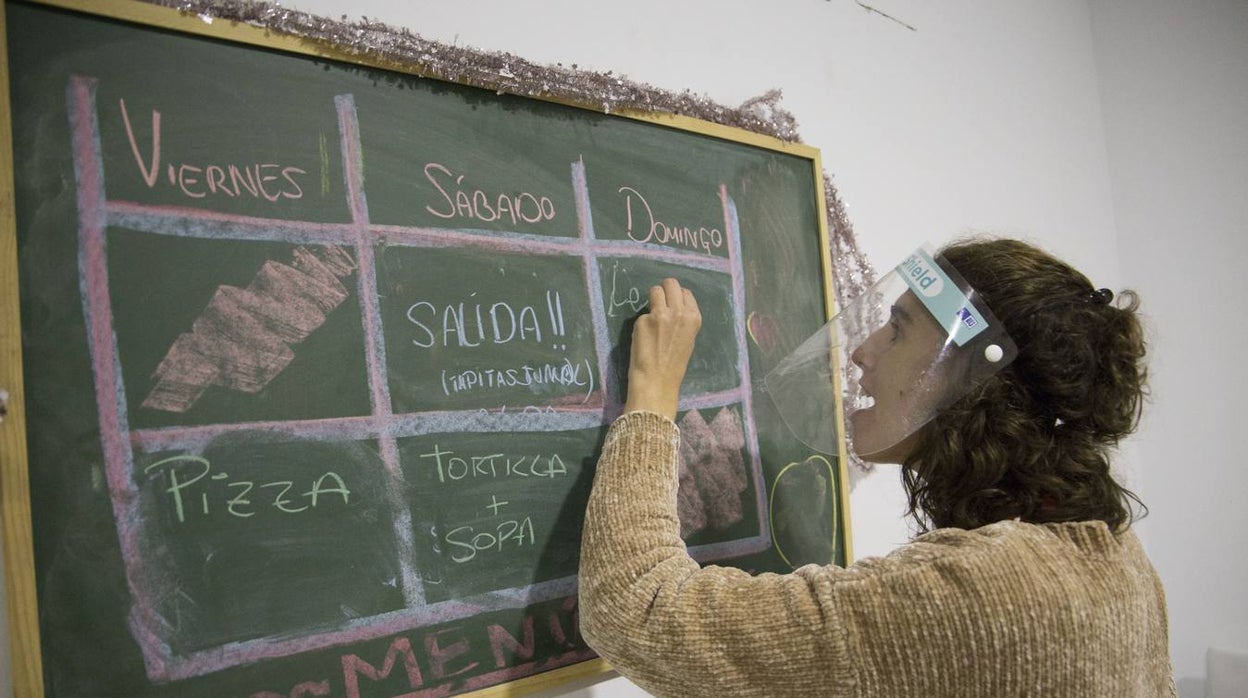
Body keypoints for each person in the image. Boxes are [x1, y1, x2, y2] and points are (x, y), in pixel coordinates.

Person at [577, 238, 1175, 697]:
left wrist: (652, 397)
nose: (862, 351)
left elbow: (635, 609)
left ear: (971, 377)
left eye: (898, 330)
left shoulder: (978, 598)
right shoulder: (1120, 563)